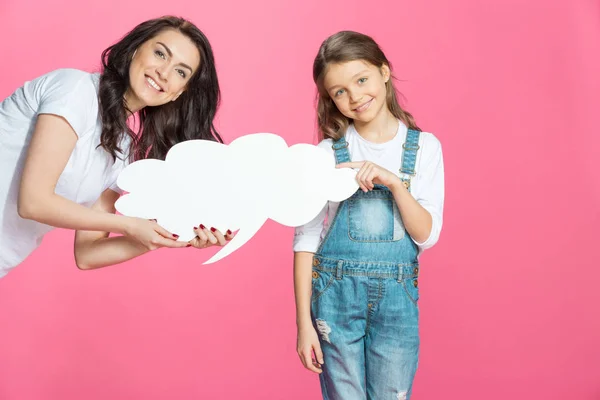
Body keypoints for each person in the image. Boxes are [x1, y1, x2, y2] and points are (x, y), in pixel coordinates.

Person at [0, 16, 231, 278]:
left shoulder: (121, 153)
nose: (164, 73)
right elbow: (34, 202)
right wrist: (130, 225)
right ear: (134, 50)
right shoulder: (75, 90)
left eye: (180, 71)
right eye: (160, 54)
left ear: (179, 92)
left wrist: (174, 234)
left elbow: (88, 254)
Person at [293, 31, 445, 399]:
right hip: (334, 297)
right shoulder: (328, 154)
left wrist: (393, 182)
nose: (355, 96)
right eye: (339, 92)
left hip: (397, 303)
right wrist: (303, 324)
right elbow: (306, 239)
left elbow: (427, 234)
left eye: (361, 80)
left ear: (384, 71)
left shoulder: (423, 147)